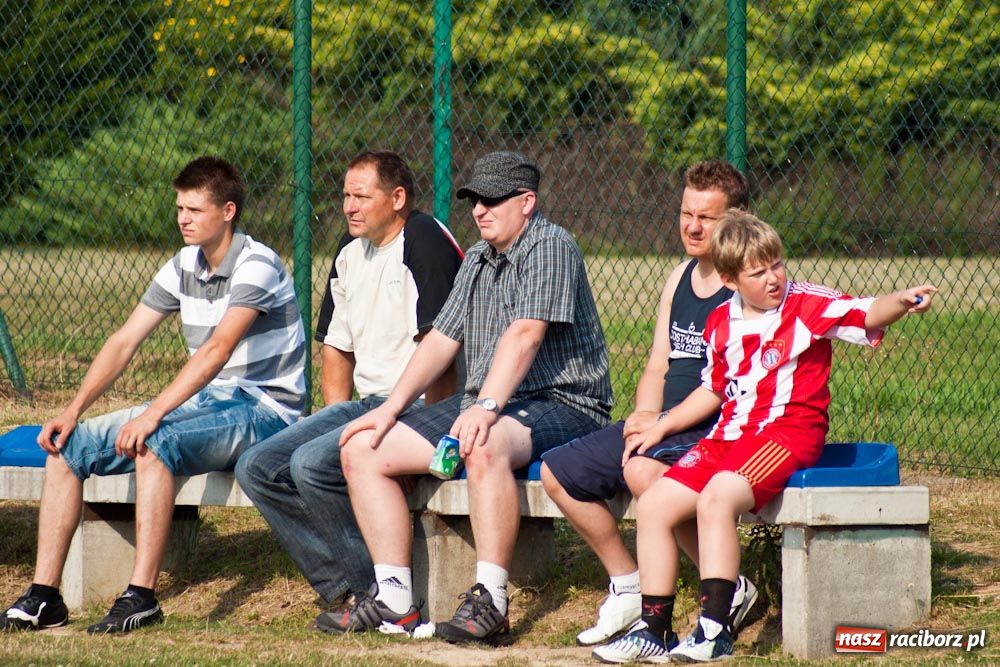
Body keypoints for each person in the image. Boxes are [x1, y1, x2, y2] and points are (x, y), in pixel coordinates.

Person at [596, 210, 936, 663]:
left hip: (787, 435)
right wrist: (662, 423)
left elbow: (867, 310)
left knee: (717, 496)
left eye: (777, 264)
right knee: (655, 502)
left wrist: (902, 299)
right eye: (758, 272)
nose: (774, 278)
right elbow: (714, 389)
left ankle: (715, 631)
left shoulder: (806, 304)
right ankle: (653, 629)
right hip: (730, 435)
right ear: (731, 280)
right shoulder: (720, 321)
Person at [1, 156, 307, 634]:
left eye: (194, 209)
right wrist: (72, 410)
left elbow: (217, 352)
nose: (182, 218)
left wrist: (155, 413)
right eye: (179, 208)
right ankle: (44, 597)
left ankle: (141, 596)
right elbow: (126, 339)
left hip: (265, 409)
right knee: (66, 447)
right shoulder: (183, 263)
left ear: (227, 211)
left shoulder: (258, 264)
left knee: (154, 442)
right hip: (207, 404)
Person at [332, 150, 613, 642]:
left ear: (527, 201)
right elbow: (441, 339)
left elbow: (525, 334)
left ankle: (491, 600)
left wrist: (486, 406)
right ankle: (396, 598)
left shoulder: (551, 245)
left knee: (483, 443)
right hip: (493, 406)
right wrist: (389, 410)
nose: (481, 209)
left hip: (564, 404)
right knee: (362, 448)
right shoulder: (480, 257)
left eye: (494, 199)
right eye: (474, 200)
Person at [540, 161, 761, 653]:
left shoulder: (746, 289)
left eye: (707, 217)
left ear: (737, 219)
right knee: (558, 471)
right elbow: (658, 364)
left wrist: (659, 428)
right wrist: (643, 419)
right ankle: (629, 583)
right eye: (686, 212)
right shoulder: (678, 276)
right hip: (664, 423)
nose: (693, 226)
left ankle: (721, 590)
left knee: (642, 473)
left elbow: (727, 390)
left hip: (711, 427)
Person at [234, 151, 463, 619]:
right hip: (368, 404)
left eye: (361, 196)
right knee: (258, 466)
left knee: (312, 464)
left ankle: (378, 596)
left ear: (397, 198)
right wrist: (331, 423)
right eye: (345, 196)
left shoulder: (423, 238)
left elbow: (444, 353)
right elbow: (336, 350)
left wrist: (430, 437)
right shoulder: (350, 250)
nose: (349, 206)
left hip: (421, 408)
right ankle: (349, 589)